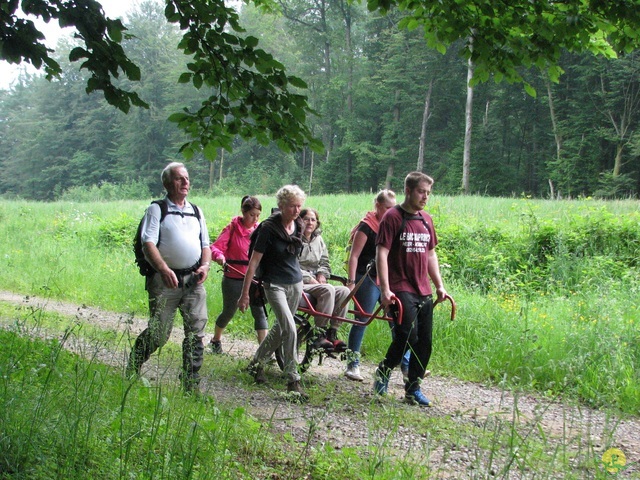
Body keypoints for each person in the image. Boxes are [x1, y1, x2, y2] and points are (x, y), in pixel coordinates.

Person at [126, 162, 212, 393]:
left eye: (186, 178)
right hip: (164, 282)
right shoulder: (156, 210)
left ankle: (190, 384)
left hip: (194, 281)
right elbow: (148, 243)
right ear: (167, 183)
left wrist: (205, 266)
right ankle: (134, 364)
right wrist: (164, 269)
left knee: (196, 332)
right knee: (159, 333)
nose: (185, 183)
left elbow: (206, 244)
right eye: (178, 179)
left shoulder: (196, 211)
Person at [373, 172, 447, 407]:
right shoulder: (392, 218)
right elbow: (381, 253)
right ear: (408, 191)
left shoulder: (426, 219)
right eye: (421, 191)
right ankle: (384, 371)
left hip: (422, 288)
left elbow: (431, 254)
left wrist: (439, 285)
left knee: (424, 341)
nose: (425, 197)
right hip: (399, 287)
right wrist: (385, 290)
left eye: (428, 192)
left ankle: (413, 388)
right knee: (407, 335)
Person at [238, 185, 308, 400]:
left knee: (279, 330)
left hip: (295, 283)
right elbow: (254, 262)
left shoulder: (299, 226)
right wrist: (245, 293)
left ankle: (255, 364)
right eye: (292, 206)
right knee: (290, 329)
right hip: (274, 284)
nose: (296, 211)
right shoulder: (268, 228)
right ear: (281, 206)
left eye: (299, 206)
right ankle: (292, 379)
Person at [343, 189, 398, 382]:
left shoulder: (393, 226)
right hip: (366, 277)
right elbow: (354, 256)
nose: (392, 212)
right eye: (387, 208)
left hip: (386, 279)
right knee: (362, 320)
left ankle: (408, 366)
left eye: (394, 208)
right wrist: (351, 282)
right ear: (378, 206)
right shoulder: (367, 226)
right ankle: (352, 364)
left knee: (397, 321)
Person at [208, 196, 267, 353]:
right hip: (234, 278)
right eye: (252, 215)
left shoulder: (260, 230)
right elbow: (215, 248)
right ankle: (216, 340)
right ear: (243, 212)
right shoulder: (232, 228)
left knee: (259, 312)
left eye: (258, 215)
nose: (255, 219)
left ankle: (263, 351)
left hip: (254, 279)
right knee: (229, 311)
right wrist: (220, 257)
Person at [298, 208, 350, 352]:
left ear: (317, 223)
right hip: (299, 282)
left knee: (344, 291)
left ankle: (332, 332)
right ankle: (319, 333)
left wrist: (322, 274)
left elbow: (324, 262)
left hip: (316, 281)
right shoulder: (294, 238)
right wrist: (309, 279)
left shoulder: (318, 240)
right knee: (328, 289)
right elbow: (291, 265)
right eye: (306, 219)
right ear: (300, 220)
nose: (310, 222)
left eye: (313, 220)